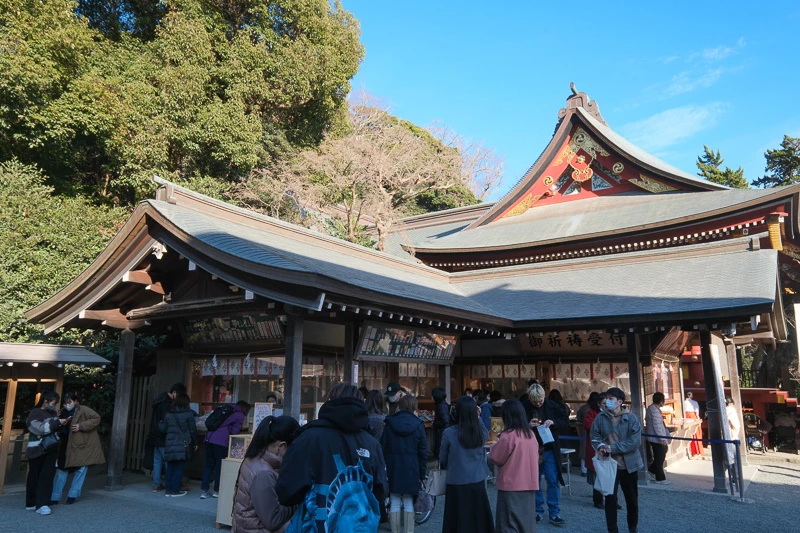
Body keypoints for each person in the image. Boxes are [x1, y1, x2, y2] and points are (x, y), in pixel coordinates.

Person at [275, 382, 388, 533]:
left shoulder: (308, 439)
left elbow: (286, 492)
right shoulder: (372, 443)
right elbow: (381, 492)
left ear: (329, 401)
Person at [232, 415, 299, 533]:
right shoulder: (264, 473)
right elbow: (273, 520)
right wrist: (297, 502)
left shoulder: (255, 457)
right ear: (282, 446)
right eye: (293, 448)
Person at [590, 387, 643, 533]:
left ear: (620, 402)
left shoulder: (631, 418)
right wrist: (600, 446)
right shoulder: (600, 418)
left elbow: (635, 442)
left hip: (629, 465)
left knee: (632, 500)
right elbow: (594, 435)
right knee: (610, 500)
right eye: (607, 398)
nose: (607, 401)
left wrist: (612, 448)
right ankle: (612, 529)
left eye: (611, 399)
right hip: (609, 465)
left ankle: (633, 527)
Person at [440, 396, 494, 533]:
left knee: (457, 518)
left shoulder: (449, 433)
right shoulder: (479, 433)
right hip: (477, 479)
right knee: (478, 517)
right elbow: (486, 435)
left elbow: (442, 458)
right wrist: (478, 417)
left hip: (456, 480)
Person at [488, 399, 539, 533]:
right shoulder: (530, 435)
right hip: (529, 484)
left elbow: (496, 458)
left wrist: (493, 446)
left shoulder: (508, 436)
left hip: (511, 485)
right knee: (526, 523)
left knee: (508, 523)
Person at [381, 394, 427, 533]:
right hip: (412, 467)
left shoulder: (390, 423)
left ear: (400, 405)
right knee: (408, 502)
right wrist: (422, 473)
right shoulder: (418, 424)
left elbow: (383, 446)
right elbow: (422, 452)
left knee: (394, 500)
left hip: (393, 465)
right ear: (414, 406)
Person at [51, 392, 105, 505]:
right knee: (62, 470)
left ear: (75, 401)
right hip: (65, 444)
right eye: (65, 403)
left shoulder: (83, 409)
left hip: (81, 445)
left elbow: (96, 418)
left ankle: (72, 495)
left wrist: (81, 426)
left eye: (69, 402)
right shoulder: (62, 412)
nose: (67, 404)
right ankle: (55, 496)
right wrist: (57, 418)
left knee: (80, 469)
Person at [527, 383, 569, 526]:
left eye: (540, 400)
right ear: (529, 398)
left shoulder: (552, 405)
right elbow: (515, 423)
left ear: (544, 397)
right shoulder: (524, 406)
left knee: (552, 480)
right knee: (535, 481)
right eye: (534, 401)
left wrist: (554, 422)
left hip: (550, 448)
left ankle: (554, 512)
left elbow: (565, 421)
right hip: (532, 448)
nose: (538, 403)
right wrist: (527, 425)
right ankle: (537, 511)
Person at [26, 390, 68, 515]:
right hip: (37, 448)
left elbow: (54, 428)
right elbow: (39, 429)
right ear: (46, 401)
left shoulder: (52, 412)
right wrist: (57, 422)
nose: (55, 405)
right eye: (53, 402)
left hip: (51, 448)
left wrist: (61, 423)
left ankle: (40, 503)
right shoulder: (35, 413)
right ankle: (34, 503)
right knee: (36, 476)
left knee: (46, 475)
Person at [201, 400, 251, 499]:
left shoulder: (225, 409)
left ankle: (204, 491)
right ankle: (216, 491)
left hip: (208, 438)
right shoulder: (239, 415)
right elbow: (234, 431)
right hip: (220, 441)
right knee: (220, 466)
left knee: (209, 466)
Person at [585, 393, 621, 510]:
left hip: (612, 447)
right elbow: (587, 425)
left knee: (613, 476)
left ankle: (613, 500)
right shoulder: (593, 413)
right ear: (599, 404)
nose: (606, 405)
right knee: (599, 475)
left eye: (608, 402)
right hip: (597, 448)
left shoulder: (612, 414)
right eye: (604, 403)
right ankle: (598, 500)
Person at [149, 383, 187, 492]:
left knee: (157, 461)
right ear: (174, 393)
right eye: (179, 395)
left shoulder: (159, 400)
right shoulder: (167, 404)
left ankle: (156, 485)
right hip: (164, 437)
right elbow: (167, 423)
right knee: (169, 463)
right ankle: (173, 486)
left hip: (155, 436)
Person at [162, 392, 197, 497]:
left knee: (170, 467)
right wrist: (195, 442)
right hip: (183, 444)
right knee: (179, 468)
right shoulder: (189, 414)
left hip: (170, 443)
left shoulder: (168, 414)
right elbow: (192, 430)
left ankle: (168, 490)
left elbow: (163, 429)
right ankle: (175, 490)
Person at [645, 392, 670, 485]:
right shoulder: (654, 410)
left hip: (655, 437)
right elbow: (657, 426)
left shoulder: (653, 409)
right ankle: (660, 478)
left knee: (661, 454)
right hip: (656, 437)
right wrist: (662, 438)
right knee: (659, 457)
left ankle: (652, 470)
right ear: (660, 401)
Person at [576, 392, 598, 476]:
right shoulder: (598, 409)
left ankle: (584, 469)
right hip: (595, 433)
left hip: (584, 431)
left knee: (584, 450)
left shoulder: (584, 408)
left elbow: (579, 419)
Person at [431, 386, 452, 457]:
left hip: (441, 432)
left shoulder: (441, 406)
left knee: (440, 451)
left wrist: (435, 424)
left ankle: (440, 466)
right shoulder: (443, 405)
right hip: (443, 432)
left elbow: (445, 421)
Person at [683, 391, 703, 456]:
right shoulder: (695, 402)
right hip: (694, 417)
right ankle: (696, 451)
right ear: (692, 396)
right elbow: (697, 412)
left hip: (686, 417)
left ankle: (690, 451)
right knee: (695, 433)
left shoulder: (683, 403)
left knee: (688, 433)